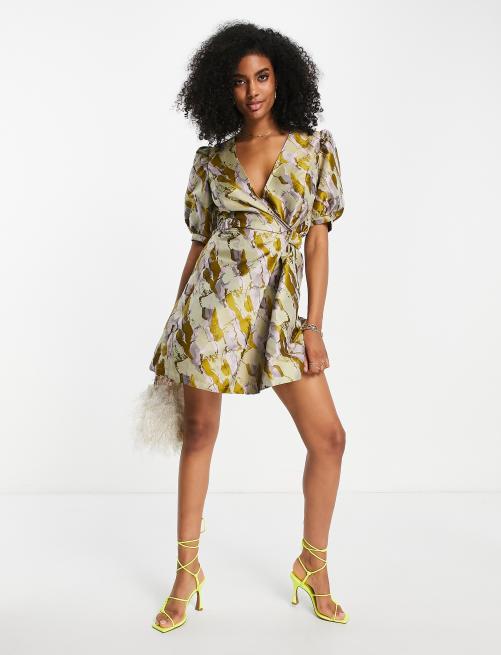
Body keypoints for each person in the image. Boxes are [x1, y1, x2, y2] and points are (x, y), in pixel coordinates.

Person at [149, 21, 349, 632]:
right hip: (210, 311)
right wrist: (173, 330)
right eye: (239, 81)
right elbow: (199, 244)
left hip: (281, 315)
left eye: (261, 77)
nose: (252, 91)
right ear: (223, 89)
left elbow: (317, 241)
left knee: (329, 439)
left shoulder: (313, 150)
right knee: (199, 433)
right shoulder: (211, 161)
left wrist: (313, 326)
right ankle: (187, 571)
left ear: (280, 79)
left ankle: (313, 564)